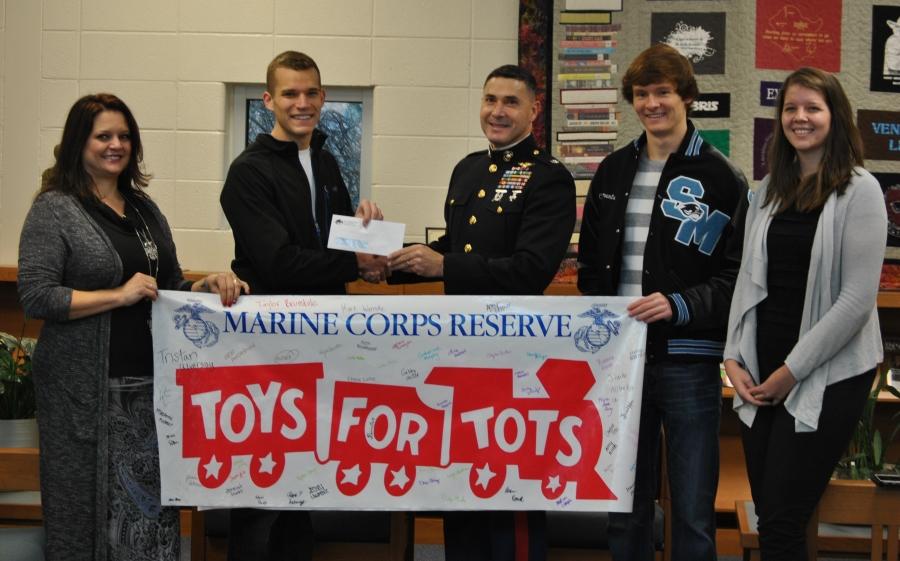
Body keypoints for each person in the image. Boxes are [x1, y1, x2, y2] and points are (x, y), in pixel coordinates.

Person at [17, 93, 247, 561]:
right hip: (83, 390)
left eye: (124, 136)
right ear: (79, 143)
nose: (115, 145)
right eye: (103, 136)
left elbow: (168, 284)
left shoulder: (143, 209)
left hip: (148, 387)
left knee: (147, 514)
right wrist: (117, 295)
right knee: (85, 510)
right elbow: (37, 296)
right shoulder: (55, 209)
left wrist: (207, 285)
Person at [389, 64, 576, 560]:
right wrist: (391, 262)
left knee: (509, 485)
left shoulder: (550, 179)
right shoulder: (469, 168)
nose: (497, 111)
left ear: (534, 110)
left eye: (510, 102)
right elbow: (453, 247)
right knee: (459, 481)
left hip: (512, 357)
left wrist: (442, 262)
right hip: (458, 353)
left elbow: (530, 270)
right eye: (490, 99)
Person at [577, 43, 748, 561]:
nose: (653, 103)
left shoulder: (723, 178)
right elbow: (588, 263)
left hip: (688, 362)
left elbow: (736, 277)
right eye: (643, 94)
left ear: (687, 97)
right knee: (624, 503)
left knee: (694, 511)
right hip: (621, 361)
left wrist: (680, 304)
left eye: (664, 92)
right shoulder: (612, 171)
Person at [219, 51, 386, 561]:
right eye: (290, 93)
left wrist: (366, 232)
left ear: (323, 97)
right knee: (258, 487)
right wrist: (357, 263)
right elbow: (278, 264)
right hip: (266, 349)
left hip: (322, 342)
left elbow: (330, 245)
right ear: (268, 100)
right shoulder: (248, 173)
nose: (302, 103)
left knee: (306, 476)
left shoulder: (329, 161)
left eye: (311, 92)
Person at [723, 67, 886, 560]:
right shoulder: (771, 188)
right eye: (791, 108)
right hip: (761, 373)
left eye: (813, 108)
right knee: (770, 509)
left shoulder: (861, 191)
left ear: (836, 117)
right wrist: (733, 358)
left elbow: (856, 302)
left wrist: (790, 373)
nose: (800, 118)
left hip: (826, 375)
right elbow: (747, 282)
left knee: (782, 518)